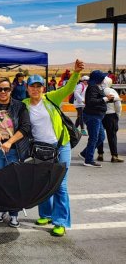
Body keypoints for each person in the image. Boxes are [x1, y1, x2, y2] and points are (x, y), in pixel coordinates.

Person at [25, 59, 83, 237]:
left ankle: (60, 222)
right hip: (40, 149)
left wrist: (76, 73)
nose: (36, 89)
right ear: (27, 88)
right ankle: (46, 214)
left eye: (39, 86)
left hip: (60, 146)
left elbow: (68, 89)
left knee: (60, 185)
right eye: (32, 86)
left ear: (44, 88)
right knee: (44, 182)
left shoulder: (51, 98)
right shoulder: (23, 104)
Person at [0, 77, 31, 228]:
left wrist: (10, 141)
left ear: (11, 90)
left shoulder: (19, 106)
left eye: (6, 89)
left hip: (14, 150)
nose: (3, 92)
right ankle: (1, 209)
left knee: (13, 181)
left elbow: (25, 128)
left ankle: (14, 214)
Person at [79, 70, 114, 168]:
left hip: (97, 116)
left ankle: (85, 153)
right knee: (94, 138)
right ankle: (88, 160)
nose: (104, 79)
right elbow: (91, 101)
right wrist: (105, 99)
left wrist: (107, 99)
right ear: (98, 78)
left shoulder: (97, 87)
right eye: (102, 78)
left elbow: (98, 100)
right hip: (92, 116)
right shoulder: (93, 87)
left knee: (101, 137)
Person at [98, 77, 123, 163]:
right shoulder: (112, 91)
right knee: (112, 136)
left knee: (99, 135)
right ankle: (114, 156)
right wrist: (118, 114)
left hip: (100, 116)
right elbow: (118, 104)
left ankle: (100, 154)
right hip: (111, 115)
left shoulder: (98, 90)